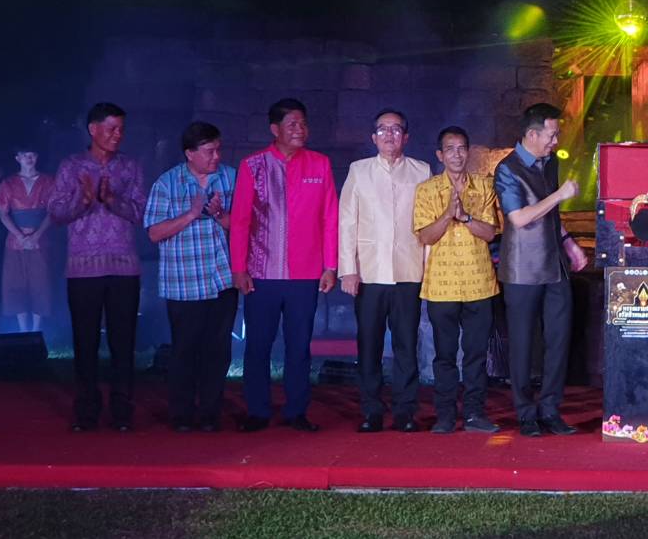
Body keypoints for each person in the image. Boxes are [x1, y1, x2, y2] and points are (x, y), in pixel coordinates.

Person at [229, 97, 339, 432]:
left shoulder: (320, 164)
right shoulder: (253, 166)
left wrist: (330, 266)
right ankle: (258, 411)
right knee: (258, 345)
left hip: (305, 273)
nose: (300, 130)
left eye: (303, 123)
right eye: (292, 124)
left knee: (299, 346)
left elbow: (330, 218)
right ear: (274, 129)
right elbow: (240, 220)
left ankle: (296, 411)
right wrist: (239, 268)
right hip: (261, 273)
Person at [48, 103, 146, 431]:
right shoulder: (71, 166)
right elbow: (56, 213)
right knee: (85, 341)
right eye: (111, 128)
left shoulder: (130, 166)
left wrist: (112, 200)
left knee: (123, 342)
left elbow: (142, 213)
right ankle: (86, 411)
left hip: (123, 267)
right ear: (93, 129)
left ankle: (122, 412)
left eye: (121, 129)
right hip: (83, 268)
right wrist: (84, 201)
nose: (118, 135)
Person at [493, 102, 588, 437]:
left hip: (555, 265)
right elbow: (519, 218)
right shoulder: (508, 168)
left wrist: (569, 243)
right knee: (522, 343)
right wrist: (559, 195)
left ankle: (550, 409)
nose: (556, 141)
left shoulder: (550, 163)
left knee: (558, 340)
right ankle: (525, 413)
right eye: (552, 135)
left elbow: (551, 216)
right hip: (523, 269)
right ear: (532, 134)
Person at [339, 108, 433, 433]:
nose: (389, 135)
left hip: (409, 271)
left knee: (407, 345)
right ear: (373, 137)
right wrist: (348, 270)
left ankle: (405, 411)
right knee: (369, 345)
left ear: (406, 136)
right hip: (369, 272)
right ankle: (372, 411)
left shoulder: (421, 170)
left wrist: (428, 270)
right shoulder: (359, 170)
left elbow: (427, 223)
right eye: (383, 129)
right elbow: (347, 222)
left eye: (396, 130)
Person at [144, 121, 238, 433]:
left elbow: (244, 226)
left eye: (218, 150)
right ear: (189, 153)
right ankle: (182, 414)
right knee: (184, 350)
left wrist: (220, 215)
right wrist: (191, 214)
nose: (216, 156)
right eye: (209, 151)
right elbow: (154, 233)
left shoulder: (231, 177)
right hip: (184, 282)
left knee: (218, 351)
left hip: (222, 279)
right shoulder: (167, 183)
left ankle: (210, 413)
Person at [413, 126, 503, 434]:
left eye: (462, 148)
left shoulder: (484, 186)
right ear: (440, 155)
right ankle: (445, 415)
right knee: (445, 354)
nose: (457, 154)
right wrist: (446, 215)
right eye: (450, 149)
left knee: (476, 354)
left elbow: (490, 232)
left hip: (479, 282)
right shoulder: (427, 190)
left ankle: (475, 414)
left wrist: (464, 216)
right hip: (442, 285)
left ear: (469, 152)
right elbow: (425, 236)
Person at [0, 146, 56, 333]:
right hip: (15, 242)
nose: (29, 159)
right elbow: (3, 214)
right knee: (15, 283)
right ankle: (22, 329)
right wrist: (20, 236)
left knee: (40, 282)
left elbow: (52, 212)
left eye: (32, 155)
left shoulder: (48, 181)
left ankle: (36, 329)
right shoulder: (8, 183)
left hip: (40, 240)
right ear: (17, 158)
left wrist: (36, 235)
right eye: (25, 155)